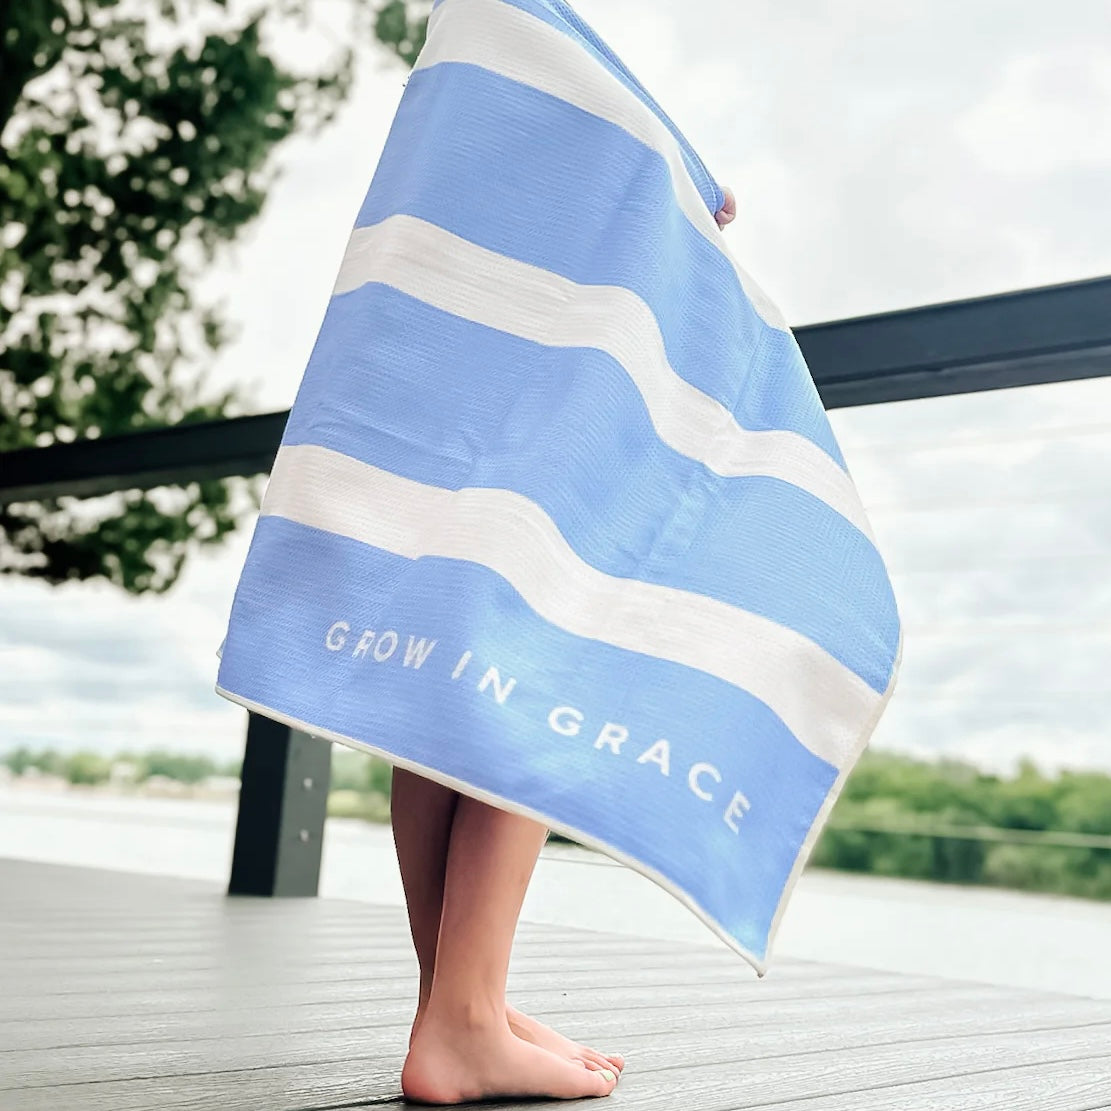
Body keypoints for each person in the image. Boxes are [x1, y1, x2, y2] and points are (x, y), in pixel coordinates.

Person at [394, 188, 737, 1105]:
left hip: (458, 302)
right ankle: (463, 1023)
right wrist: (681, 176)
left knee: (447, 647)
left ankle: (460, 1006)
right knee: (544, 643)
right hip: (556, 310)